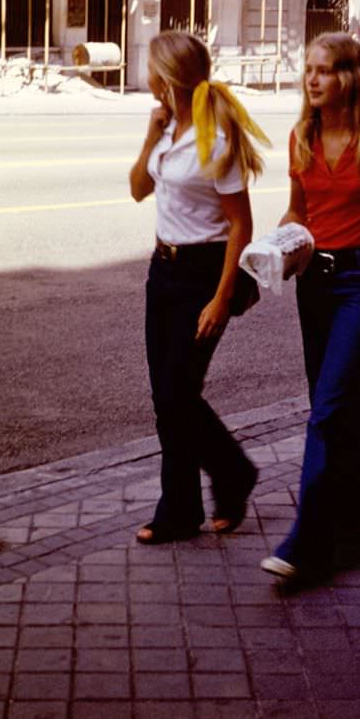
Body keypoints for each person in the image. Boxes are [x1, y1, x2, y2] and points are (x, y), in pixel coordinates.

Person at [260, 32, 360, 580]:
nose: (311, 79)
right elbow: (297, 211)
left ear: (350, 77)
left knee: (327, 410)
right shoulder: (301, 136)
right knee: (337, 404)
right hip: (316, 284)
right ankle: (356, 506)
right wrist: (276, 243)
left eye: (324, 70)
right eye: (309, 68)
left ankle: (310, 541)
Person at [129, 31, 270, 544]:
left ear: (167, 77)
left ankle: (219, 482)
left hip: (203, 274)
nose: (145, 77)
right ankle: (198, 498)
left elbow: (241, 225)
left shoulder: (218, 140)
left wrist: (221, 296)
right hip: (162, 270)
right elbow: (138, 189)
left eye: (149, 68)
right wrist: (151, 135)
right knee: (168, 396)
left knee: (177, 394)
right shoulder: (167, 131)